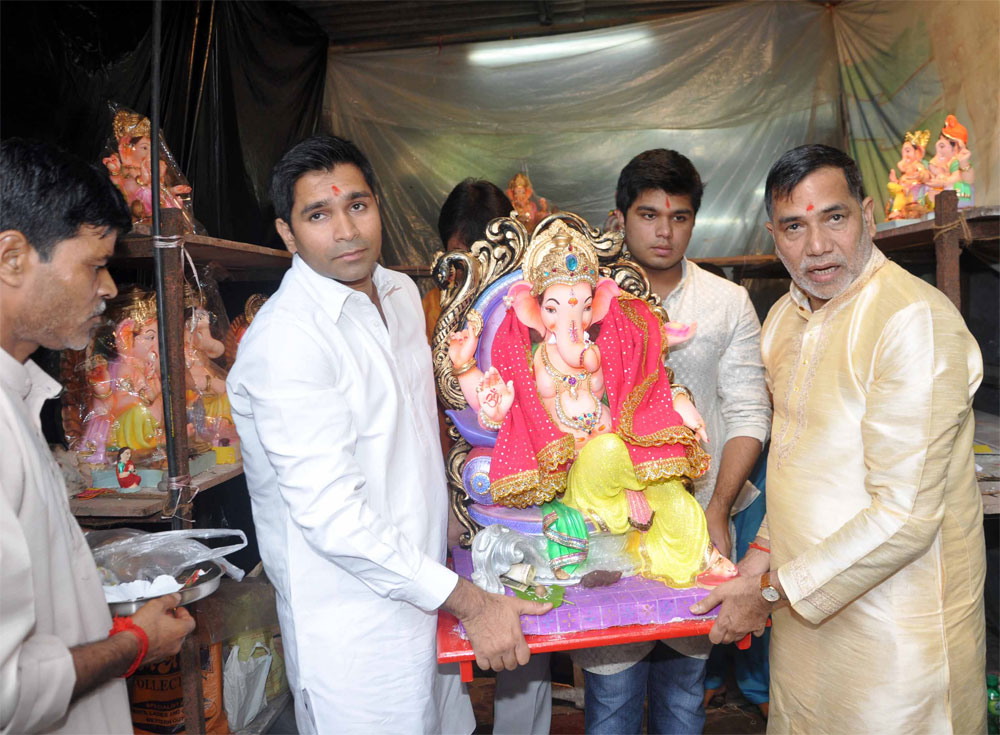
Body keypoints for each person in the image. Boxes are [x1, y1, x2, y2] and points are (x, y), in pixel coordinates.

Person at [226, 135, 550, 734]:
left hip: (431, 593)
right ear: (287, 233)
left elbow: (414, 425)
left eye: (358, 205)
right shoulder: (285, 343)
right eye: (318, 215)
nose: (346, 230)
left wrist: (451, 513)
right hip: (355, 636)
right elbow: (333, 518)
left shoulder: (400, 293)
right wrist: (473, 604)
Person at [692, 144, 987, 733]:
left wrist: (770, 596)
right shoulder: (782, 319)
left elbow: (904, 517)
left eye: (835, 217)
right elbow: (798, 462)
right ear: (773, 237)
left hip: (899, 636)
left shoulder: (911, 320)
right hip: (805, 621)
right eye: (794, 227)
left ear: (868, 216)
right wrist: (759, 558)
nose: (817, 246)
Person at [570, 149, 772, 734]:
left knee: (685, 695)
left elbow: (747, 410)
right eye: (649, 214)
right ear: (619, 218)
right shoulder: (584, 305)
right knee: (610, 699)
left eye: (680, 217)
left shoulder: (725, 302)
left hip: (699, 522)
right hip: (611, 527)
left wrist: (714, 510)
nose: (665, 231)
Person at [0, 138, 195, 734]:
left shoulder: (18, 396)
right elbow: (8, 692)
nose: (109, 287)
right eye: (94, 263)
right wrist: (134, 645)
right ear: (11, 257)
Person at [432, 178, 554, 735]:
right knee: (444, 640)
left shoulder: (529, 301)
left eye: (487, 249)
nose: (475, 264)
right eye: (463, 251)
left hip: (515, 482)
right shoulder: (430, 303)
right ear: (446, 248)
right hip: (445, 490)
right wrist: (450, 506)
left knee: (524, 624)